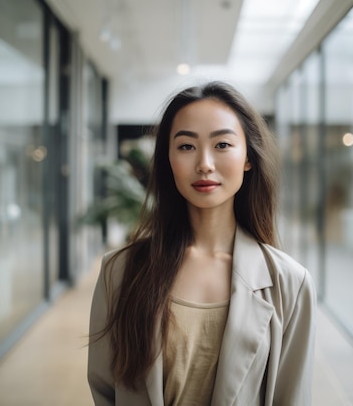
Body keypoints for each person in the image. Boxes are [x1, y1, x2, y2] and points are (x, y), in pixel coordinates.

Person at [87, 81, 316, 405]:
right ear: (168, 159)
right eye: (186, 146)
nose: (205, 163)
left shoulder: (290, 283)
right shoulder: (119, 271)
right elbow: (104, 389)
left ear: (248, 157)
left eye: (222, 144)